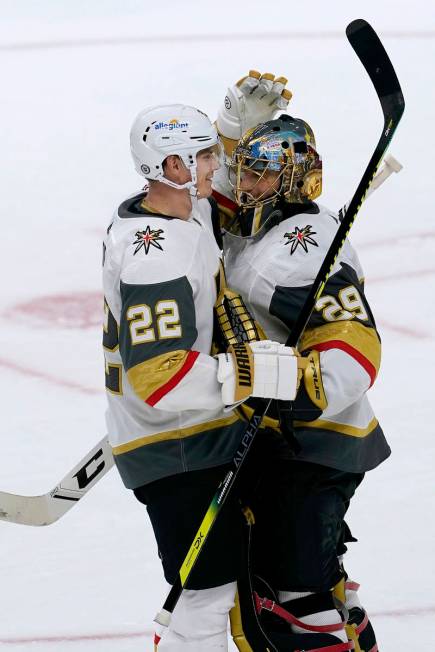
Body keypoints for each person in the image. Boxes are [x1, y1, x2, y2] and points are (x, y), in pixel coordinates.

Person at [102, 103, 305, 651]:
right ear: (173, 166)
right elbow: (158, 375)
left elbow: (229, 205)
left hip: (193, 434)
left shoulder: (177, 212)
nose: (220, 163)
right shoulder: (155, 257)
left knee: (225, 587)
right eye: (208, 154)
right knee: (206, 600)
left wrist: (236, 129)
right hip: (173, 445)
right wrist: (250, 372)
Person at [211, 73, 389, 651]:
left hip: (315, 444)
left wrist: (284, 380)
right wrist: (230, 133)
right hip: (280, 441)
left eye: (260, 172)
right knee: (277, 590)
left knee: (296, 605)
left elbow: (354, 350)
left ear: (291, 182)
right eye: (246, 168)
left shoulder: (302, 249)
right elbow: (206, 211)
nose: (245, 180)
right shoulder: (258, 226)